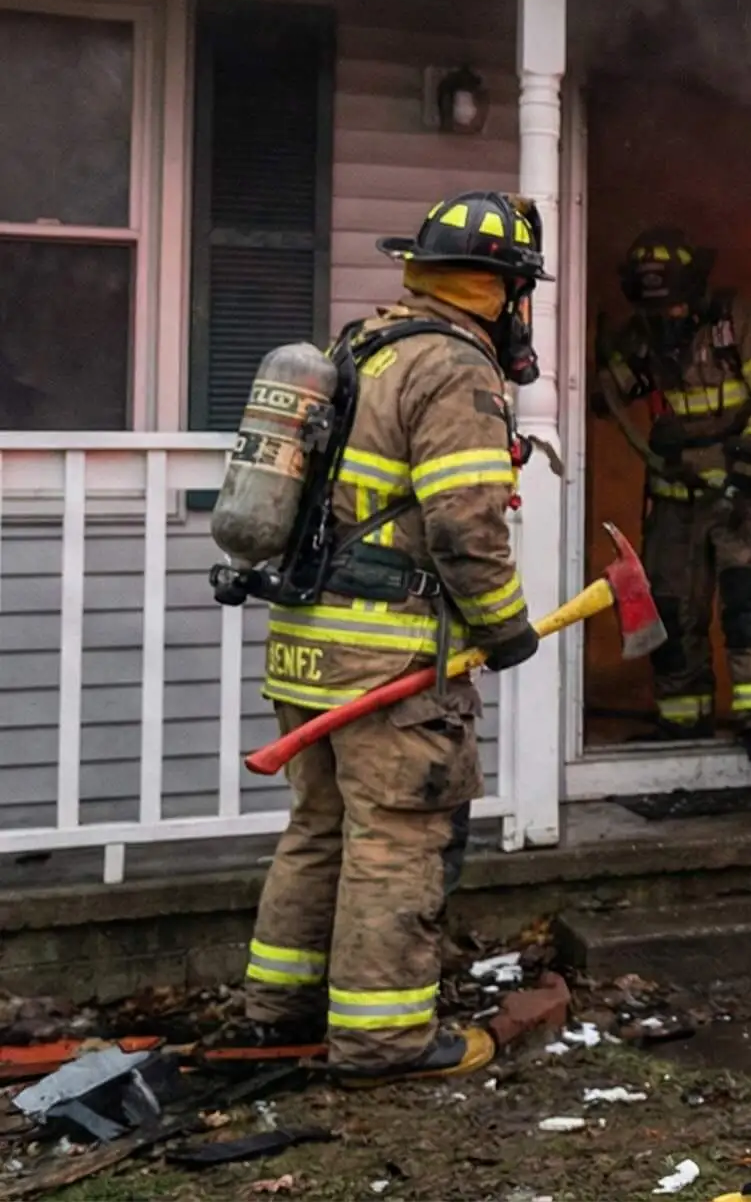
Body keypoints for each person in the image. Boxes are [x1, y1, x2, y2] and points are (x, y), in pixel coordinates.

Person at [228, 189, 549, 1085]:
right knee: (398, 838)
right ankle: (385, 1040)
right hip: (388, 652)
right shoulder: (452, 369)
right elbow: (464, 525)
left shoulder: (359, 347)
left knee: (320, 828)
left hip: (307, 641)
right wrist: (507, 626)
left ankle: (279, 1010)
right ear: (502, 290)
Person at [595, 227, 751, 763]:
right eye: (657, 308)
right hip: (674, 499)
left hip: (744, 495)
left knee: (747, 603)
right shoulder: (644, 337)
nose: (669, 318)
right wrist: (596, 362)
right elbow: (606, 397)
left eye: (677, 305)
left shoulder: (740, 325)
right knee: (669, 610)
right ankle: (682, 722)